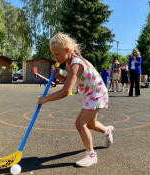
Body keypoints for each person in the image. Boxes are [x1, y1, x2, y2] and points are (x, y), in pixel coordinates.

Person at [37, 32, 114, 167]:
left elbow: (66, 91)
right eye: (53, 54)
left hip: (97, 95)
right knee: (90, 124)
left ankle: (91, 155)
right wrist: (58, 75)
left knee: (80, 123)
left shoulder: (75, 64)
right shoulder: (69, 62)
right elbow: (68, 81)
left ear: (67, 50)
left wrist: (45, 99)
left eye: (57, 54)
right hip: (91, 94)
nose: (55, 57)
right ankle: (106, 130)